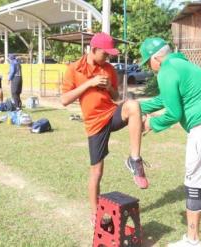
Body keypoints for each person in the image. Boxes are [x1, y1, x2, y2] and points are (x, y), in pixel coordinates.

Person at [139, 38, 201, 247]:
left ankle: (192, 241)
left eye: (149, 62)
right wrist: (139, 107)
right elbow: (166, 99)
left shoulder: (166, 70)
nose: (150, 67)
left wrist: (150, 125)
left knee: (194, 183)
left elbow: (174, 113)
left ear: (157, 58)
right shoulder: (185, 65)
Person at [61, 32, 148, 224]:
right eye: (105, 54)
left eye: (110, 55)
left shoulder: (109, 69)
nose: (108, 58)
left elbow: (117, 98)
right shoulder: (74, 69)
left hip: (111, 114)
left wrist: (110, 87)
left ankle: (135, 160)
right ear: (93, 50)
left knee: (133, 105)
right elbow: (65, 100)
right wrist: (89, 83)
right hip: (94, 125)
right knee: (97, 172)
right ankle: (95, 213)